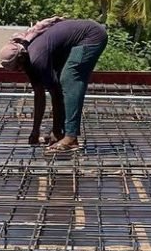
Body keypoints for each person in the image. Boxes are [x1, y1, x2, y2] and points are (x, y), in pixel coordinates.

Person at [12, 17, 108, 151]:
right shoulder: (28, 54)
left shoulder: (36, 57)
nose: (18, 71)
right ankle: (63, 133)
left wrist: (56, 130)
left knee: (69, 79)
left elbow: (55, 93)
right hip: (76, 41)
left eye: (17, 67)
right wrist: (35, 131)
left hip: (91, 36)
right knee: (62, 80)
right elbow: (39, 95)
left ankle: (70, 138)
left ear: (21, 59)